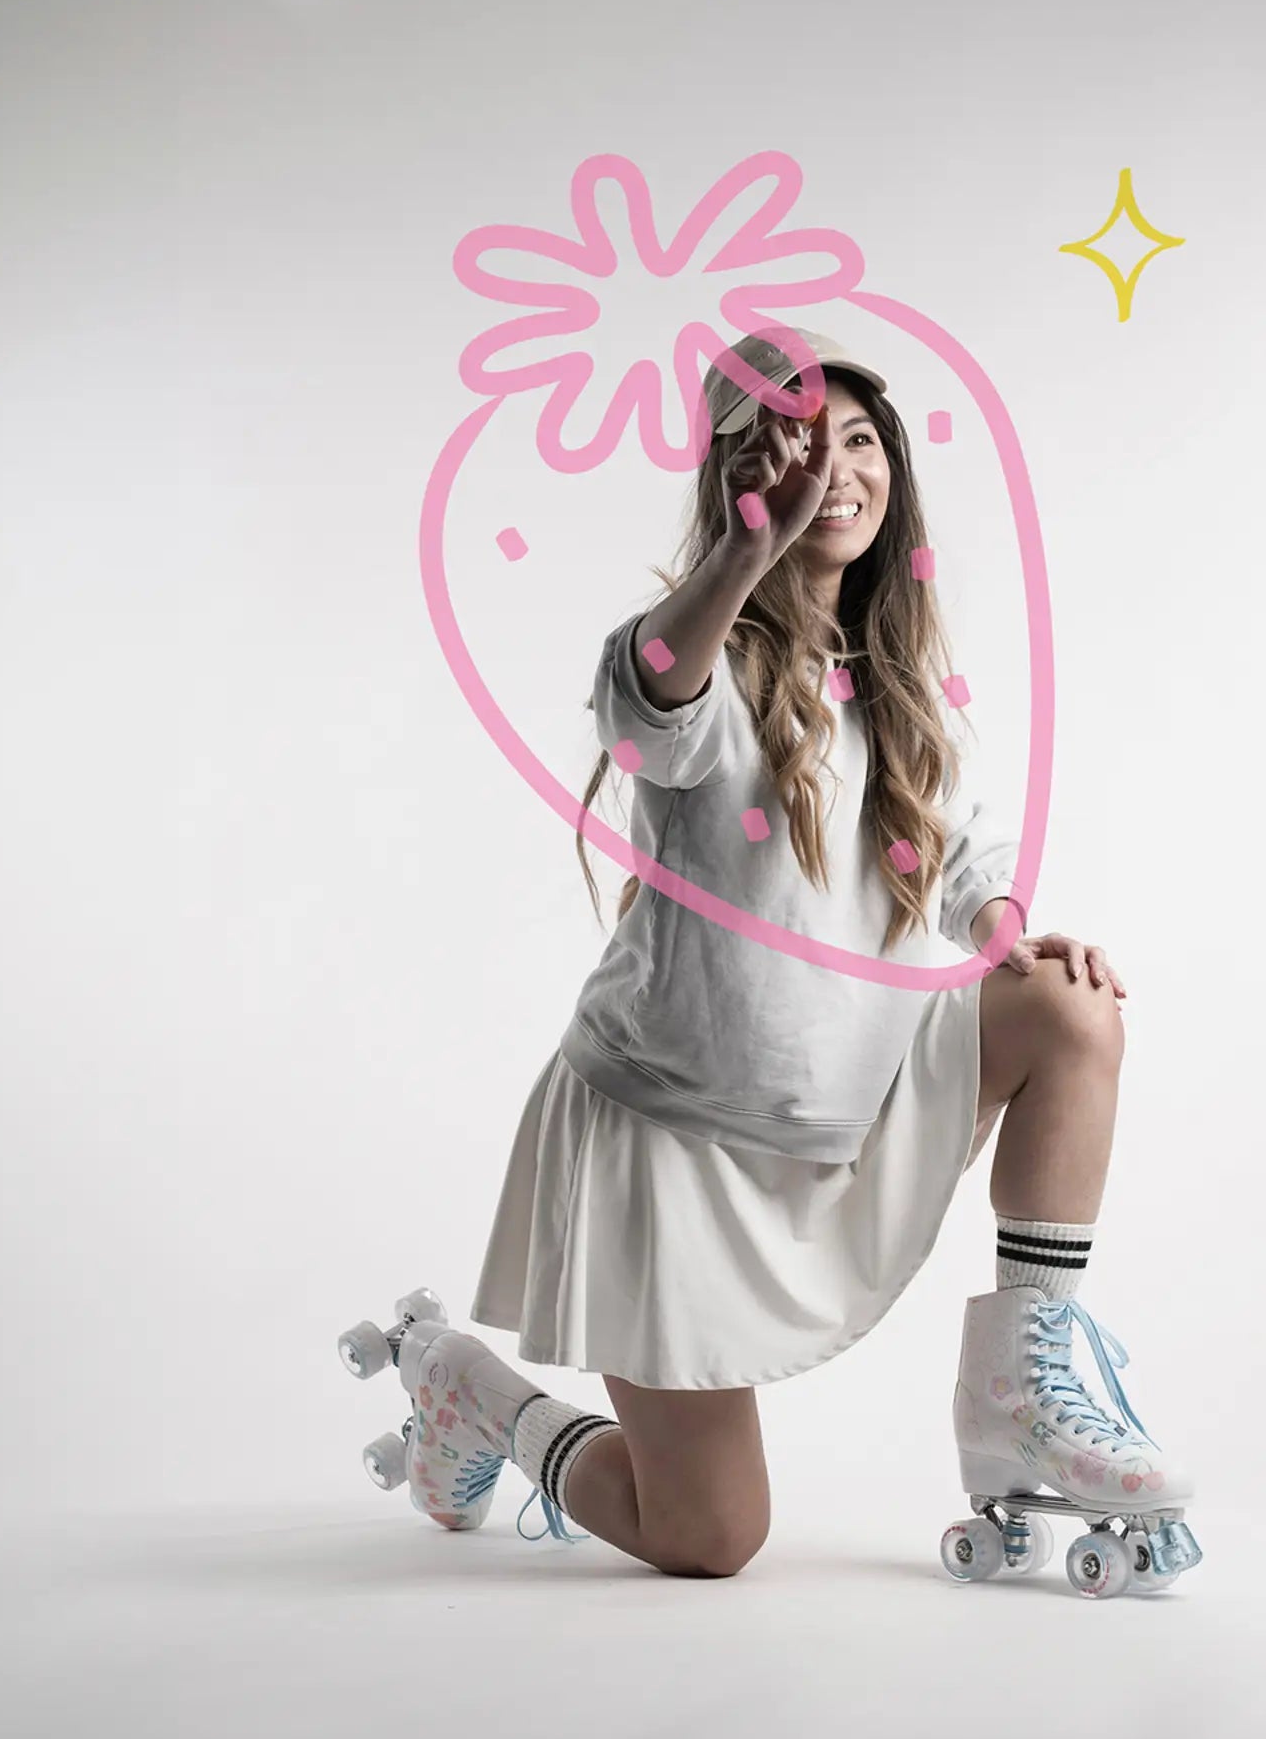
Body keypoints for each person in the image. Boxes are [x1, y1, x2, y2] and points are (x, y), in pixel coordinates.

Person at [413, 326, 1194, 1577]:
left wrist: (1005, 933)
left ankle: (1022, 1379)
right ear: (736, 474)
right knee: (709, 1535)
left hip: (851, 1102)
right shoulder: (699, 659)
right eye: (792, 443)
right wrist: (744, 547)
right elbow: (646, 698)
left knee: (1069, 1008)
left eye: (857, 437)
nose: (833, 466)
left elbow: (954, 856)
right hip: (676, 1139)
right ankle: (473, 1396)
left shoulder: (901, 681)